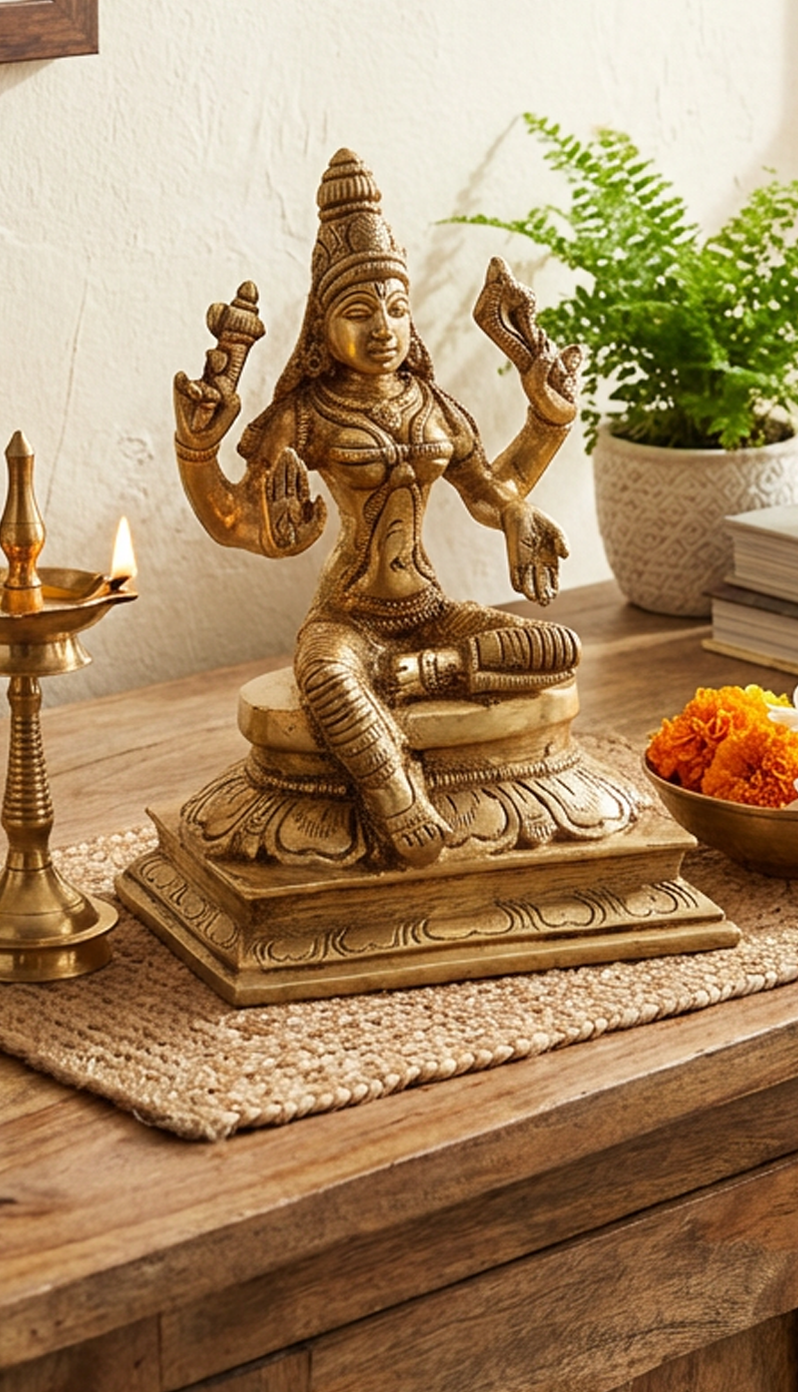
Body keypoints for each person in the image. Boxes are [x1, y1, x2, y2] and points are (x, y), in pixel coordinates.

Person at [174, 149, 586, 869]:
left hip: (430, 613)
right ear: (320, 326)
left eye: (397, 308)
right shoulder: (305, 415)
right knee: (327, 677)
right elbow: (238, 523)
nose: (384, 327)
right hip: (349, 616)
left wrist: (546, 423)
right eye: (359, 312)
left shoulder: (431, 406)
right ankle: (397, 801)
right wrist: (196, 454)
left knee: (558, 648)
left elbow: (494, 493)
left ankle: (429, 673)